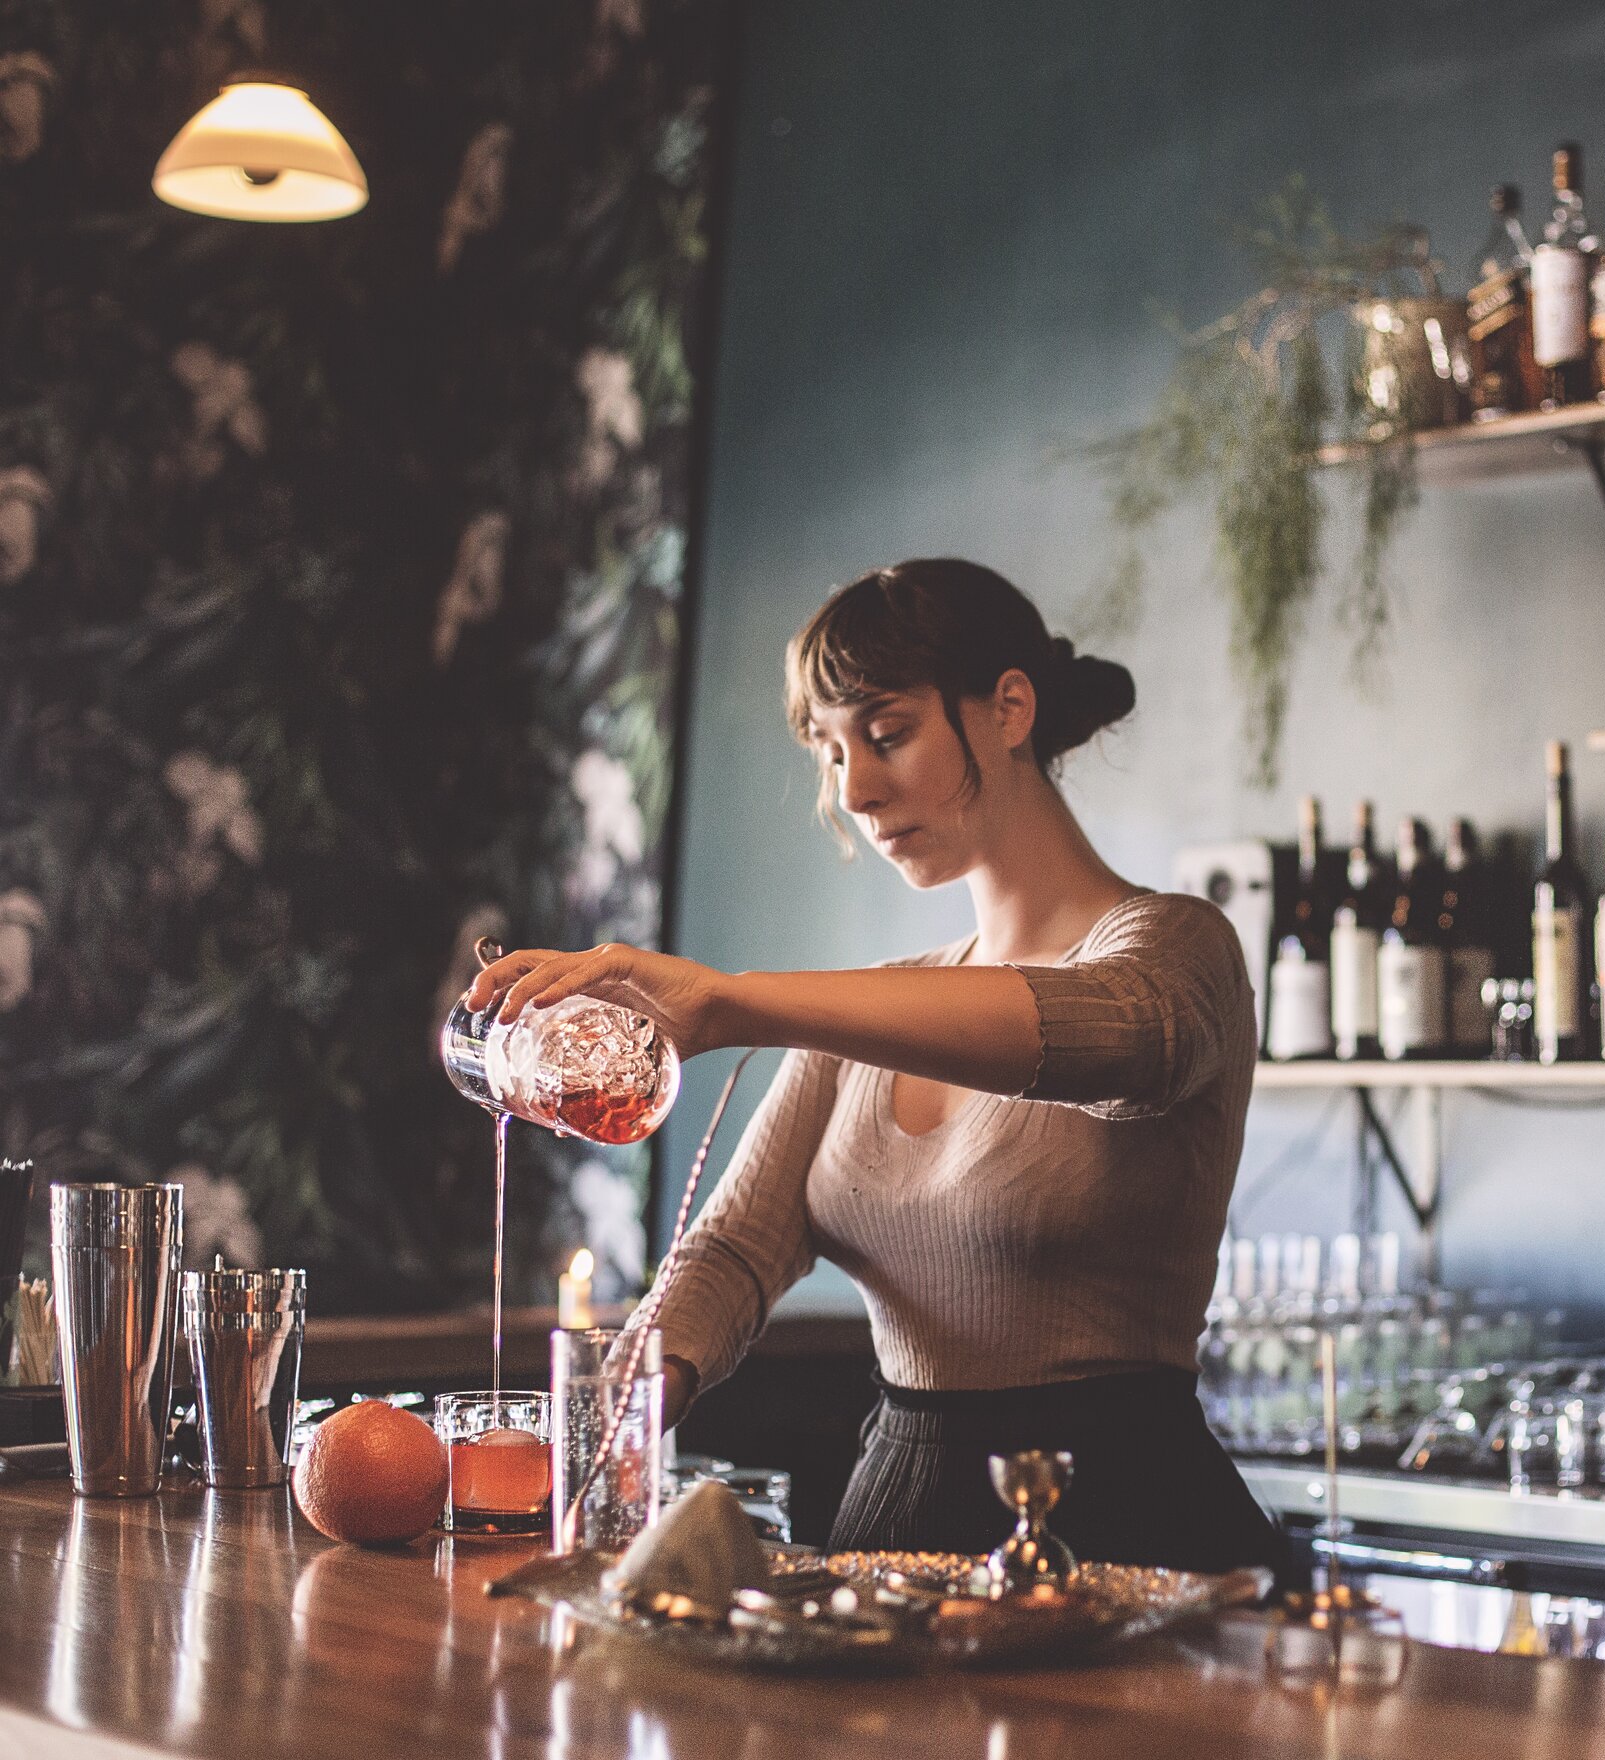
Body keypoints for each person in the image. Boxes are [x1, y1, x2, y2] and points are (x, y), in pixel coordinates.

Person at [463, 558, 1278, 1572]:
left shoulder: (1179, 951)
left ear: (1008, 708)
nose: (853, 788)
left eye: (887, 733)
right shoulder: (876, 1010)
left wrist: (729, 998)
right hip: (892, 1530)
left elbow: (1115, 1035)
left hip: (1119, 1528)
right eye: (828, 749)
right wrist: (638, 1395)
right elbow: (731, 1250)